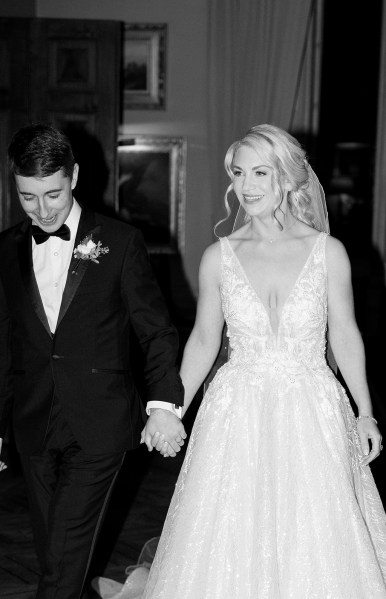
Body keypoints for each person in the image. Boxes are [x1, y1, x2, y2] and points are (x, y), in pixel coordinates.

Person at [112, 123, 386, 599]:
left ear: (286, 179)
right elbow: (201, 340)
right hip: (236, 410)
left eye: (261, 172)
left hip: (313, 411)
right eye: (239, 173)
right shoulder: (219, 257)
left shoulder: (329, 254)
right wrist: (167, 408)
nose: (247, 185)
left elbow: (345, 334)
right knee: (231, 532)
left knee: (316, 532)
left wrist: (365, 412)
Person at [0, 123, 186, 599]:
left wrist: (163, 403)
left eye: (53, 196)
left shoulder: (121, 242)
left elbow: (157, 329)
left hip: (101, 424)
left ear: (75, 176)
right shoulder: (4, 250)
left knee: (60, 565)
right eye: (27, 198)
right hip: (32, 422)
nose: (42, 211)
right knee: (58, 555)